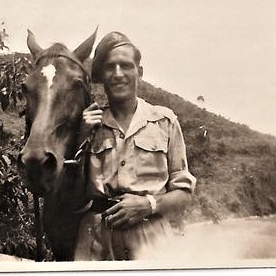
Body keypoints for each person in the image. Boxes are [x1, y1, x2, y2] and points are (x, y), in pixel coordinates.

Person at [74, 31, 196, 260]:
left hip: (152, 239)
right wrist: (80, 137)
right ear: (102, 75)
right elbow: (70, 196)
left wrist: (149, 205)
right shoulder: (87, 123)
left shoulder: (164, 121)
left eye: (126, 66)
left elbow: (184, 193)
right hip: (96, 242)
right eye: (110, 67)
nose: (118, 74)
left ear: (139, 72)